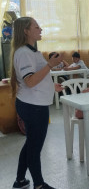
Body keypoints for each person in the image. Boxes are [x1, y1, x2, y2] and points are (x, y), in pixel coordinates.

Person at [10, 17, 64, 189]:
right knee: (34, 148)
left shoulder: (31, 51)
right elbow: (30, 81)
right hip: (33, 108)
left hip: (34, 104)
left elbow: (36, 78)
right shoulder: (23, 53)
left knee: (30, 144)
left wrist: (50, 85)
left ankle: (20, 180)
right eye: (36, 27)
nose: (40, 29)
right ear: (26, 31)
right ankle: (39, 185)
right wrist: (50, 65)